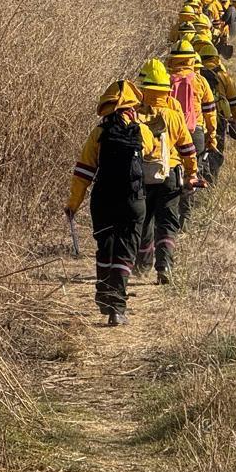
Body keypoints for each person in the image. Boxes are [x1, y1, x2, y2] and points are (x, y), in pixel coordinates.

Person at [68, 80, 156, 325]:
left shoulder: (98, 132)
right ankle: (117, 308)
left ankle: (104, 296)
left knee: (105, 247)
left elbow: (84, 171)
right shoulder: (141, 131)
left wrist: (73, 203)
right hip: (134, 200)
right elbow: (151, 149)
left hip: (103, 199)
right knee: (125, 250)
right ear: (131, 105)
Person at [135, 59, 201, 284]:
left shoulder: (134, 115)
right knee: (167, 222)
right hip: (170, 174)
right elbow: (187, 148)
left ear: (143, 88)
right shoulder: (173, 115)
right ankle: (164, 266)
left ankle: (142, 266)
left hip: (141, 176)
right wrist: (192, 173)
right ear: (166, 89)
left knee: (143, 220)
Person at [166, 39, 219, 201]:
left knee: (171, 171)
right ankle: (187, 210)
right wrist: (212, 136)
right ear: (192, 59)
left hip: (170, 133)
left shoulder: (165, 80)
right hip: (195, 132)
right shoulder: (200, 81)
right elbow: (210, 112)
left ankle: (171, 207)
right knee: (193, 175)